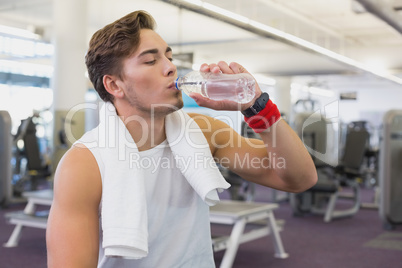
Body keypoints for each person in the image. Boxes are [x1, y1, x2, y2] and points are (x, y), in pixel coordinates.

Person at [46, 10, 317, 268]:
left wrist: (256, 107)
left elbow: (299, 178)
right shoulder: (83, 165)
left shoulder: (201, 130)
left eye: (169, 57)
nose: (171, 68)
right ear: (114, 85)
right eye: (151, 61)